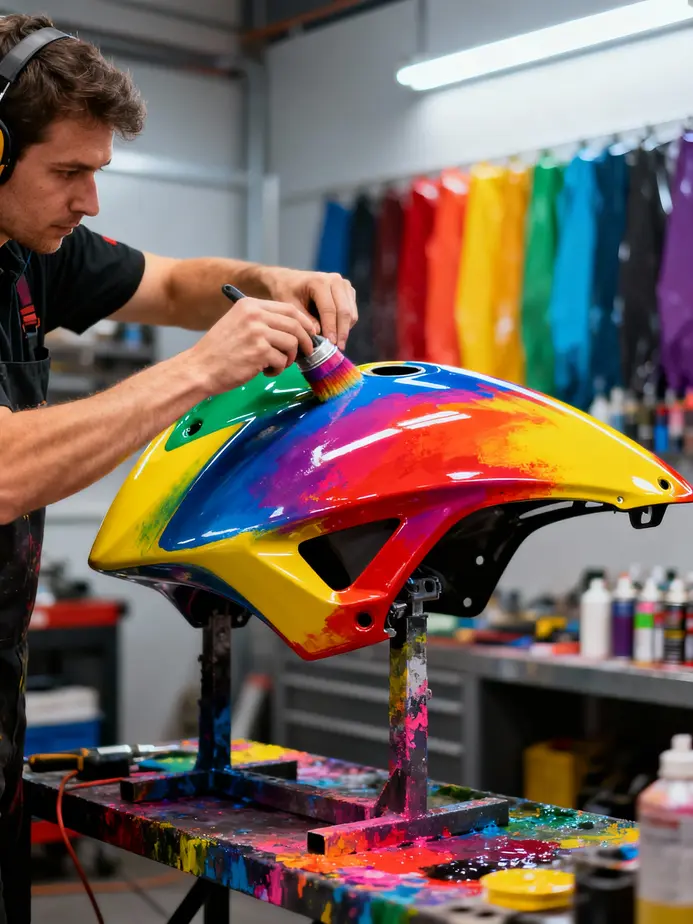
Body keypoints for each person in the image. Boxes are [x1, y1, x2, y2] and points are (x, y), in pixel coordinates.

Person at [0, 13, 357, 923]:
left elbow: (177, 283)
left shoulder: (30, 255)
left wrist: (270, 281)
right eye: (67, 173)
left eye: (96, 173)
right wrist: (202, 369)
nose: (88, 201)